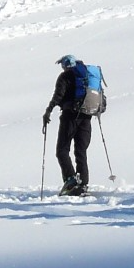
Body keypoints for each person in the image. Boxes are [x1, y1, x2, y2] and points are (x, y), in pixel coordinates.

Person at [42, 54, 93, 196]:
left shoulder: (64, 77)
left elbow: (58, 95)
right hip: (86, 117)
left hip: (69, 117)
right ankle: (83, 183)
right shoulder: (87, 75)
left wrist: (49, 110)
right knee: (81, 151)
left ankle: (70, 180)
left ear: (65, 65)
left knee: (62, 150)